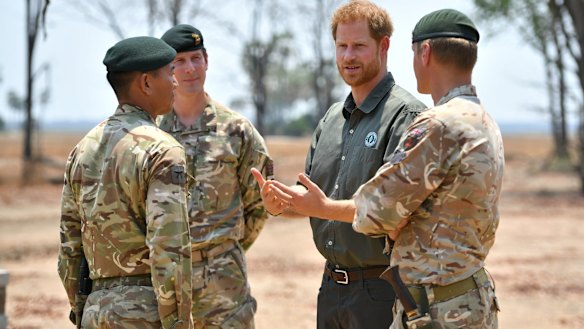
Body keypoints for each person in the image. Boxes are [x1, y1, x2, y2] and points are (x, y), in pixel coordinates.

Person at [252, 1, 426, 328]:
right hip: (331, 288)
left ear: (384, 45)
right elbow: (311, 199)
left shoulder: (406, 117)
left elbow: (394, 212)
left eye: (359, 46)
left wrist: (323, 207)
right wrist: (278, 202)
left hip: (384, 290)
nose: (348, 57)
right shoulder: (331, 118)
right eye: (341, 46)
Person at [351, 9, 504, 328]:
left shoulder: (437, 125)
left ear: (425, 52)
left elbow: (371, 213)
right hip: (468, 296)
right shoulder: (484, 121)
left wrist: (392, 220)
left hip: (439, 308)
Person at [58, 36, 193, 329]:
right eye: (170, 73)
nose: (175, 82)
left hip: (95, 310)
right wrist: (179, 323)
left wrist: (83, 310)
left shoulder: (82, 149)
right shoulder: (163, 150)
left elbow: (69, 247)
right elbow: (169, 250)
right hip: (146, 314)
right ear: (146, 83)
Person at [159, 24, 273, 328]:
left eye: (195, 58)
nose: (189, 69)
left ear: (206, 60)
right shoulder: (150, 134)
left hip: (224, 284)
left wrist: (224, 249)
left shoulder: (236, 130)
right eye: (179, 62)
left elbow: (259, 202)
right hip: (165, 281)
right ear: (166, 71)